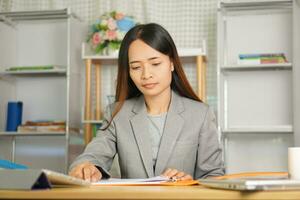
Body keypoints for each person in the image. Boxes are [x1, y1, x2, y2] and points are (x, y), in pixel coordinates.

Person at [69, 23, 224, 182]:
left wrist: (191, 183)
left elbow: (214, 176)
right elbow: (93, 155)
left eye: (155, 64)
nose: (146, 74)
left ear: (171, 63)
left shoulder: (201, 114)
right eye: (136, 67)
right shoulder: (117, 113)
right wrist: (85, 167)